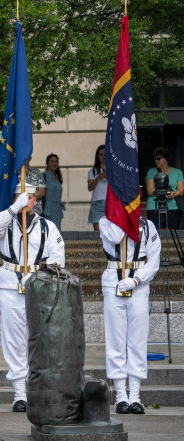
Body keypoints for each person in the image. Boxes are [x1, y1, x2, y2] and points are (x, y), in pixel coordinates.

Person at [0, 182, 65, 412]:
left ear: (36, 200)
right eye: (21, 197)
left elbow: (59, 258)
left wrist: (38, 273)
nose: (26, 201)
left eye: (29, 197)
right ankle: (20, 393)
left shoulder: (48, 227)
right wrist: (14, 209)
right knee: (13, 340)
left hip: (38, 287)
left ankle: (35, 388)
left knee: (39, 339)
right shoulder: (7, 223)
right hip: (11, 287)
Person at [99, 216, 160, 415]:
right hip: (113, 282)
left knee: (137, 341)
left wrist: (136, 281)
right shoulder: (106, 222)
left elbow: (154, 261)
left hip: (138, 285)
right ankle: (120, 396)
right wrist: (120, 216)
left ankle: (135, 395)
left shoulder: (147, 226)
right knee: (116, 341)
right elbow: (116, 237)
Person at [145, 147, 184, 229]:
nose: (156, 161)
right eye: (155, 159)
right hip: (154, 206)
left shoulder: (177, 172)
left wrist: (171, 195)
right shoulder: (151, 171)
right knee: (154, 234)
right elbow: (149, 191)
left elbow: (181, 190)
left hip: (173, 207)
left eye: (158, 158)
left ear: (166, 159)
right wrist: (167, 193)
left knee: (172, 233)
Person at [42, 153, 65, 231]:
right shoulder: (43, 176)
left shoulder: (58, 177)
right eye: (52, 161)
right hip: (47, 211)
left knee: (57, 235)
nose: (54, 163)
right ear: (47, 163)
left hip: (57, 212)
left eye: (56, 162)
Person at [87, 145, 108, 231]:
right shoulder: (92, 171)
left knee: (111, 231)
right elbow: (90, 188)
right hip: (97, 203)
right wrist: (98, 178)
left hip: (110, 203)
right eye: (101, 155)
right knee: (97, 234)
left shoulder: (114, 170)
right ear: (98, 157)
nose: (103, 157)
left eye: (105, 154)